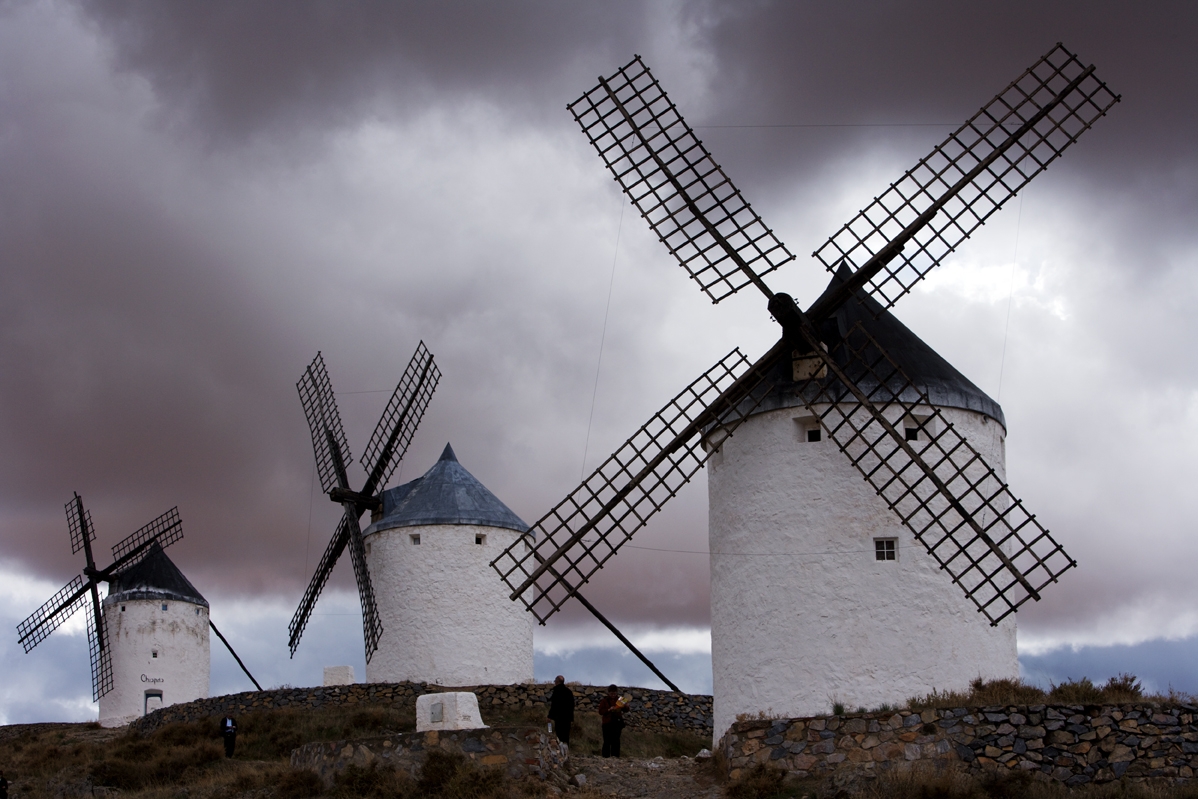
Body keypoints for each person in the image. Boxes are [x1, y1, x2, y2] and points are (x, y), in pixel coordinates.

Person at [597, 684, 625, 758]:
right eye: (611, 693)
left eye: (614, 693)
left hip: (617, 723)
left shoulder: (620, 700)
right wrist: (609, 710)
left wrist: (626, 706)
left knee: (616, 741)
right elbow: (600, 711)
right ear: (608, 693)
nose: (613, 695)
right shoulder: (604, 701)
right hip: (607, 723)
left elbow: (626, 710)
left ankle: (615, 756)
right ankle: (605, 756)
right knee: (607, 741)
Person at [546, 675, 575, 747]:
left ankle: (561, 752)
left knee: (559, 735)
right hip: (567, 718)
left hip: (559, 717)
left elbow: (554, 705)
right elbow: (572, 705)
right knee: (566, 735)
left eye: (555, 681)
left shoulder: (557, 691)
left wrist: (550, 716)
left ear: (557, 681)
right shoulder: (569, 692)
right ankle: (566, 751)